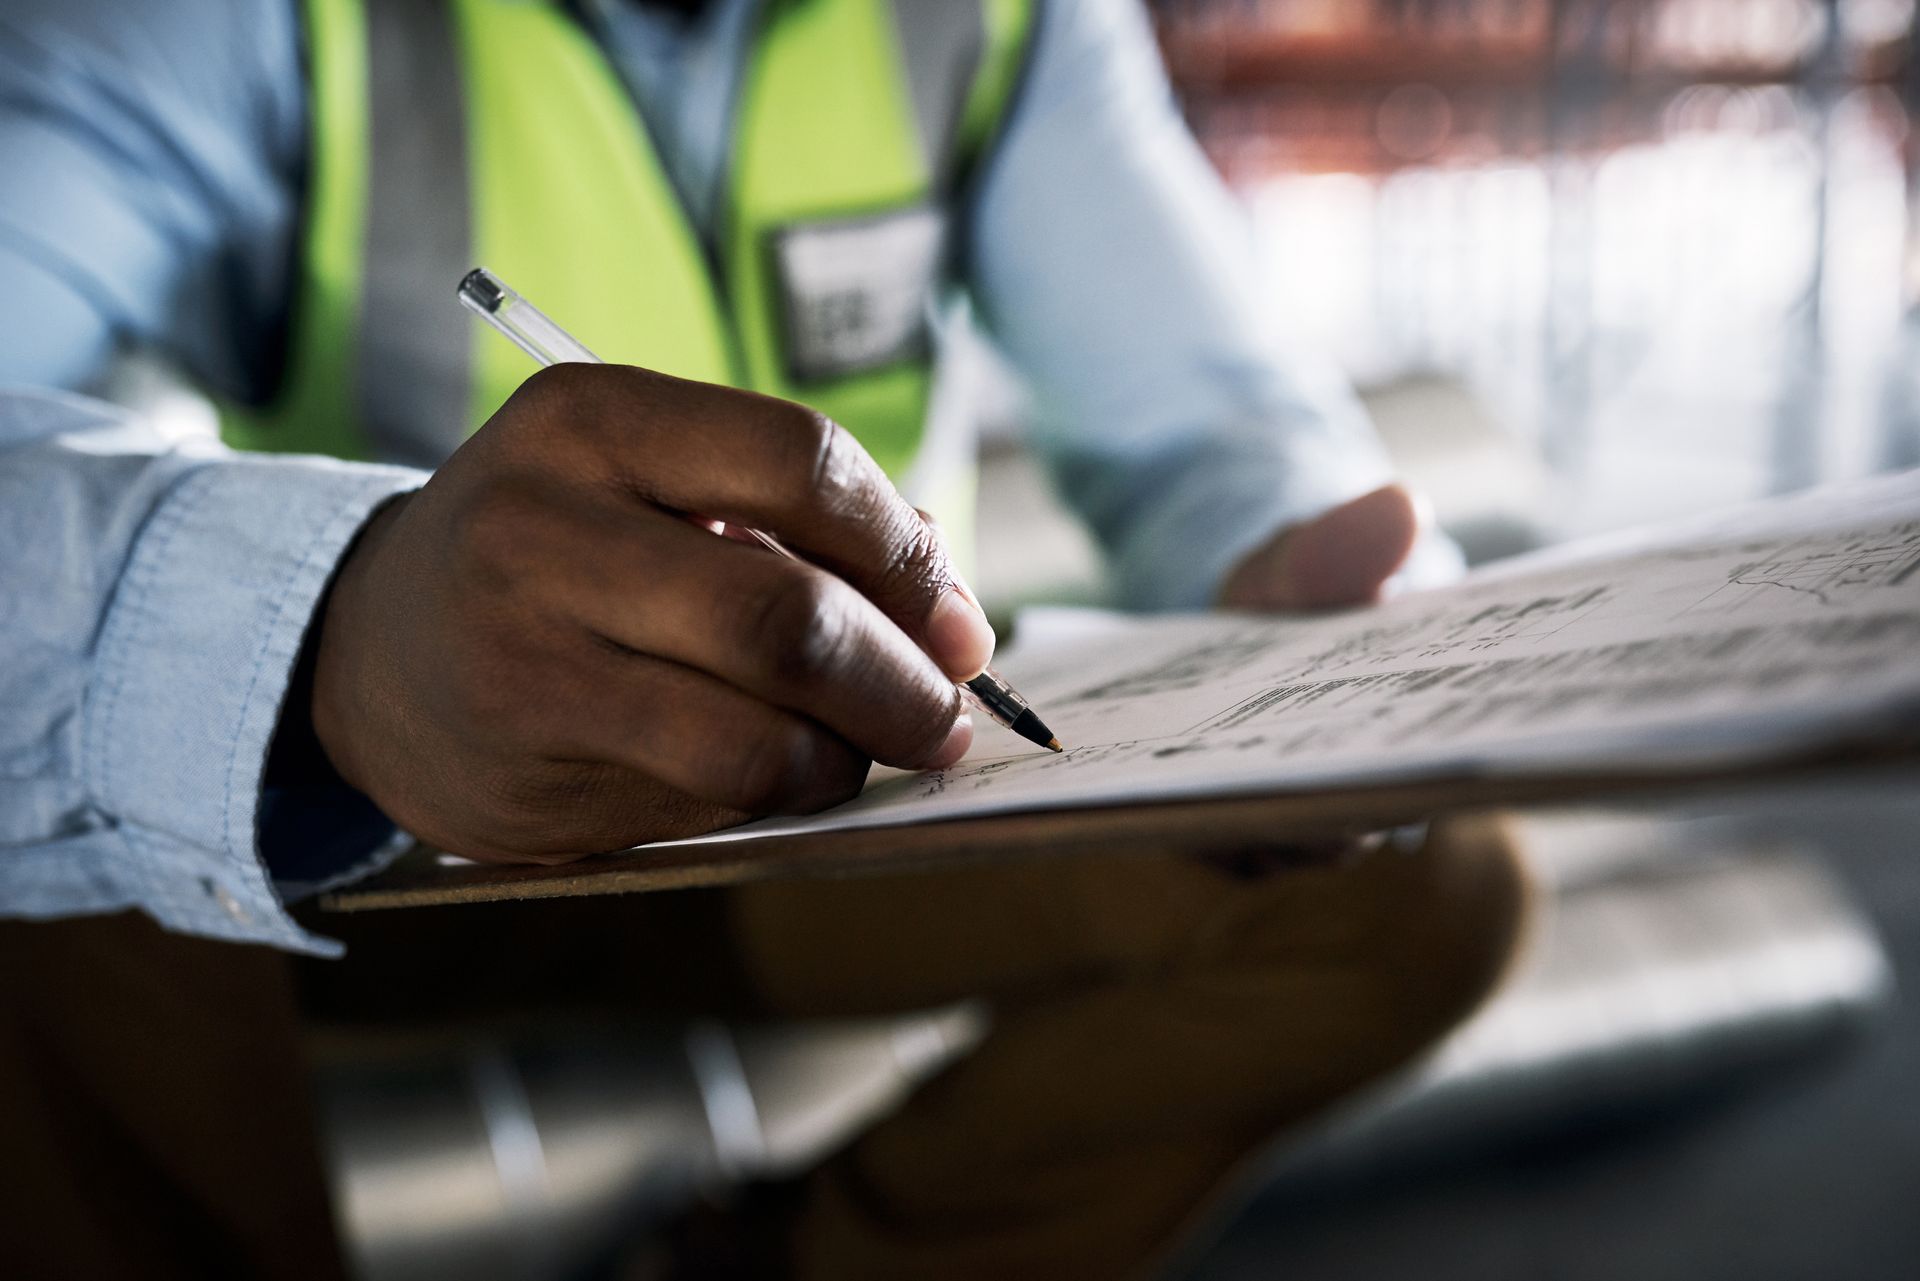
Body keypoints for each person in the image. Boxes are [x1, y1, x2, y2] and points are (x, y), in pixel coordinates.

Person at [0, 1, 1529, 1277]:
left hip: (832, 801)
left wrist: (1295, 567)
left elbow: (1213, 427)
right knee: (82, 755)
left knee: (1403, 872)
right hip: (380, 850)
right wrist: (332, 624)